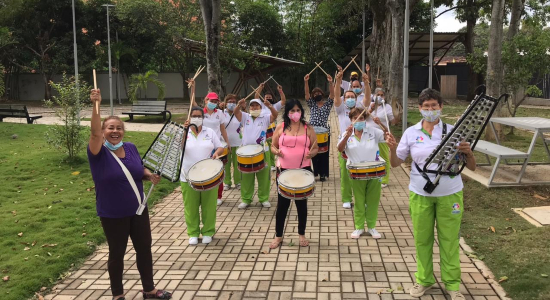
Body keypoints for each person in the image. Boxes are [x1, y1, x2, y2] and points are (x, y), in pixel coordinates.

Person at [389, 88, 476, 300]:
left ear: (441, 107)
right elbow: (395, 163)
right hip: (420, 194)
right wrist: (391, 148)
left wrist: (468, 152)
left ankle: (453, 284)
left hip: (451, 193)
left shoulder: (453, 131)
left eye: (434, 106)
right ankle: (424, 279)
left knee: (449, 240)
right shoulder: (411, 132)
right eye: (426, 106)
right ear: (419, 108)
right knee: (422, 239)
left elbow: (472, 167)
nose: (430, 110)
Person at [87, 89, 172, 300]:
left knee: (144, 249)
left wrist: (148, 175)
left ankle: (149, 290)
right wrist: (95, 104)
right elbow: (95, 133)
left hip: (138, 209)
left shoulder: (131, 147)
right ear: (104, 130)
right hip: (113, 212)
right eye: (110, 128)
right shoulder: (97, 152)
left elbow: (137, 169)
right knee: (117, 254)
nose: (115, 132)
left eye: (119, 128)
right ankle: (118, 295)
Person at [337, 107, 396, 240]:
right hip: (356, 172)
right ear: (351, 120)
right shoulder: (346, 133)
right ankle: (358, 227)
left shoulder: (373, 132)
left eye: (362, 118)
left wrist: (381, 124)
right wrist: (346, 136)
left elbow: (388, 135)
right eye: (355, 118)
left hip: (374, 171)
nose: (359, 121)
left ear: (365, 120)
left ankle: (371, 227)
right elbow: (340, 149)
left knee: (373, 200)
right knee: (359, 200)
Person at [269, 99, 319, 249]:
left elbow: (316, 147)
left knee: (301, 204)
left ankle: (301, 234)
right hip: (284, 170)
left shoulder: (308, 128)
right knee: (282, 204)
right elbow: (273, 145)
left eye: (298, 110)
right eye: (292, 111)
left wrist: (312, 154)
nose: (295, 113)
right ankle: (278, 236)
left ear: (302, 113)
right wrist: (276, 151)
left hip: (303, 170)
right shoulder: (281, 127)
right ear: (287, 113)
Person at [180, 107, 225, 245]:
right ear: (189, 117)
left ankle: (208, 231)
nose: (197, 118)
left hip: (208, 176)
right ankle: (193, 233)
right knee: (191, 206)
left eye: (199, 116)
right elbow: (179, 147)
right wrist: (184, 131)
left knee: (209, 206)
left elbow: (220, 146)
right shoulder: (184, 132)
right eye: (194, 116)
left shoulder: (209, 132)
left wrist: (217, 153)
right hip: (187, 175)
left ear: (203, 118)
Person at [188, 79, 229, 205]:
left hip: (217, 146)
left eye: (215, 101)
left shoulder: (220, 113)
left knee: (217, 170)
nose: (213, 103)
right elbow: (192, 102)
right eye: (211, 101)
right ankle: (202, 190)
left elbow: (222, 128)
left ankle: (218, 196)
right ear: (206, 101)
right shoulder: (200, 112)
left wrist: (227, 143)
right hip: (204, 144)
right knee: (204, 169)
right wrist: (193, 88)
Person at [335, 67, 371, 209]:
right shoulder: (340, 109)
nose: (350, 98)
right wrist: (338, 82)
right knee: (345, 174)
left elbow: (367, 98)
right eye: (347, 97)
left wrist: (366, 84)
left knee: (362, 172)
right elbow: (336, 96)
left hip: (361, 144)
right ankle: (346, 198)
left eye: (352, 97)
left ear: (356, 99)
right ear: (344, 99)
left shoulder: (360, 108)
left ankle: (362, 198)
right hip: (345, 144)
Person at [234, 98, 278, 209]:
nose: (254, 108)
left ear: (260, 107)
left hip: (262, 151)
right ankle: (246, 199)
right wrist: (239, 104)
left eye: (257, 106)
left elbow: (275, 115)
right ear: (249, 108)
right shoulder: (245, 117)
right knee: (246, 177)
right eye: (252, 106)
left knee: (264, 176)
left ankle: (264, 198)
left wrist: (270, 106)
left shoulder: (265, 118)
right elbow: (235, 112)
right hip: (246, 152)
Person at [304, 73, 334, 181]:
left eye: (319, 92)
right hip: (312, 132)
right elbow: (306, 94)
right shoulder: (312, 104)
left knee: (324, 153)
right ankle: (315, 173)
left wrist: (331, 82)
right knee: (314, 153)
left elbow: (332, 94)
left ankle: (323, 174)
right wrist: (306, 82)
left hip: (324, 133)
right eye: (315, 93)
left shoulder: (327, 105)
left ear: (322, 94)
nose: (317, 94)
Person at [366, 87, 396, 188]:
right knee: (370, 157)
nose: (379, 97)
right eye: (377, 94)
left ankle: (384, 179)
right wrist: (370, 108)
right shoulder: (369, 104)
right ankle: (371, 176)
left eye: (382, 95)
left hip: (382, 136)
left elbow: (393, 121)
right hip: (369, 136)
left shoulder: (387, 107)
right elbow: (361, 117)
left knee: (383, 158)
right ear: (374, 96)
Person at [255, 84, 287, 172]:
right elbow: (256, 96)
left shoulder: (275, 106)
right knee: (264, 147)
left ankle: (272, 164)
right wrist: (260, 87)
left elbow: (283, 100)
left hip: (272, 129)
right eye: (266, 97)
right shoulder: (261, 105)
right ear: (264, 98)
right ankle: (265, 163)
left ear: (272, 98)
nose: (268, 98)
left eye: (269, 97)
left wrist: (280, 91)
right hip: (261, 129)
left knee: (272, 146)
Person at [222, 94, 243, 191]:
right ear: (225, 103)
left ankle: (238, 182)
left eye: (234, 102)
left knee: (237, 164)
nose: (231, 104)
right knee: (226, 164)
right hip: (225, 143)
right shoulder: (221, 113)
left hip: (237, 142)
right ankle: (227, 182)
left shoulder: (239, 113)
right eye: (229, 102)